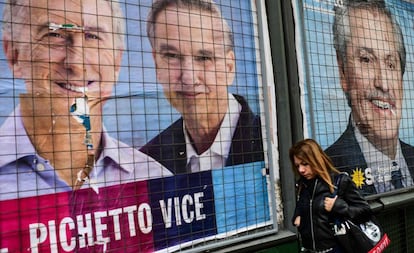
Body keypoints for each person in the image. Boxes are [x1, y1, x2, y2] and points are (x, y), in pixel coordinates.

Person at [0, 0, 172, 200]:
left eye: (93, 36)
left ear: (117, 61)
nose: (76, 63)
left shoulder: (154, 179)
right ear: (14, 55)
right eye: (54, 35)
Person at [139, 0, 264, 174]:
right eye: (172, 56)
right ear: (156, 64)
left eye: (204, 58)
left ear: (229, 67)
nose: (189, 78)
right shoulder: (147, 162)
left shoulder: (269, 143)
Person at [324, 0, 414, 195]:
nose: (383, 83)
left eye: (391, 64)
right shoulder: (327, 169)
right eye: (366, 60)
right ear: (343, 73)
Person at [290, 139, 372, 253]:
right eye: (297, 165)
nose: (301, 170)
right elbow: (307, 206)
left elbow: (365, 211)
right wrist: (298, 215)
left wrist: (339, 206)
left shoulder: (340, 181)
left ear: (316, 160)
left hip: (336, 249)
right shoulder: (303, 185)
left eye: (305, 164)